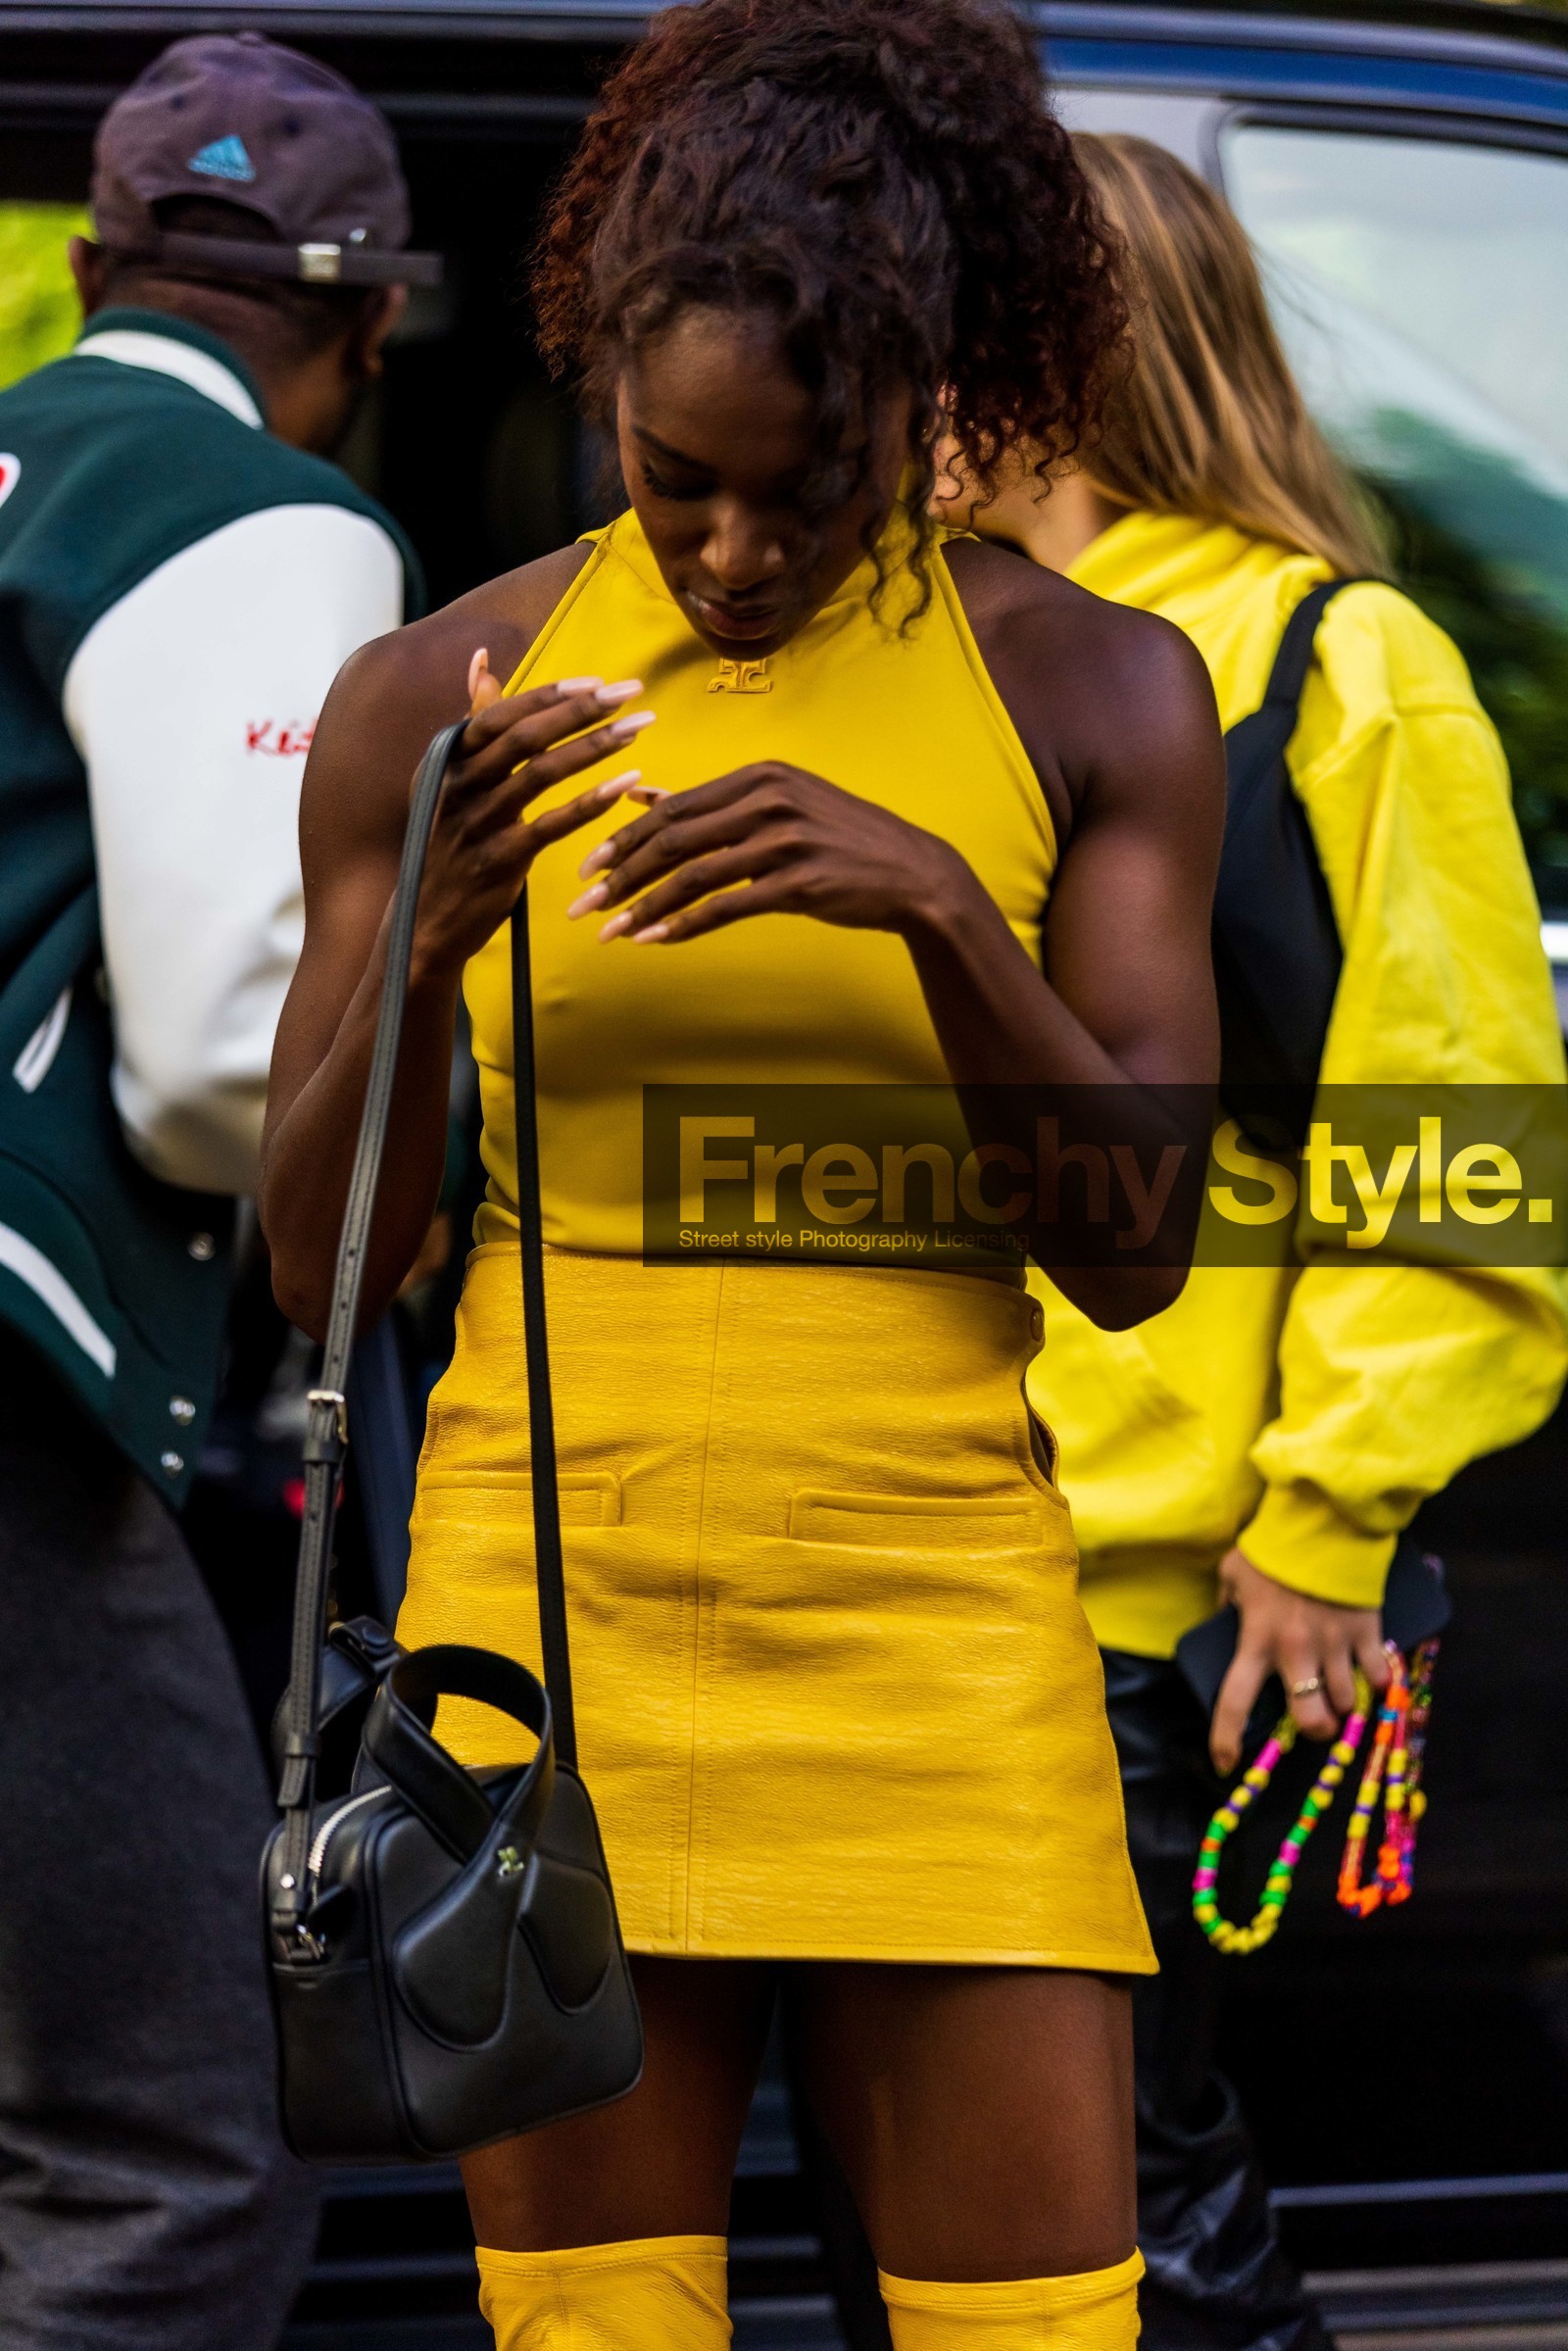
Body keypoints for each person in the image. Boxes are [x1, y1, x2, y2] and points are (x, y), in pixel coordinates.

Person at [260, 4, 1231, 2344]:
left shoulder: (1093, 694)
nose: (727, 545)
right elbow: (322, 1271)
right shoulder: (444, 699)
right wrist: (429, 954)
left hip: (935, 1639)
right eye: (671, 471)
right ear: (598, 382)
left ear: (932, 389)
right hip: (552, 1650)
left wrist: (920, 904)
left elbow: (1130, 1250)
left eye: (802, 485)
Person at [938, 132, 1568, 2351]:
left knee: (1110, 2211)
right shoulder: (896, 647)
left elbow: (1460, 1138)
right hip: (904, 1558)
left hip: (1155, 1586)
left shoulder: (1332, 663)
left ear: (1046, 348)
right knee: (942, 2221)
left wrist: (1319, 1521)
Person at [0, 33, 435, 2346]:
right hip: (16, 1385)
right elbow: (211, 1065)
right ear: (369, 334)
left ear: (88, 262)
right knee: (172, 2143)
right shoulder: (255, 515)